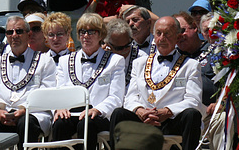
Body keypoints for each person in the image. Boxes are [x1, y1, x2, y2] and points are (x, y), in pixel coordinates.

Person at [109, 16, 203, 150]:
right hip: (144, 120)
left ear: (177, 37)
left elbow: (194, 101)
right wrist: (140, 110)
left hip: (171, 121)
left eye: (167, 34)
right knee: (118, 113)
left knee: (192, 114)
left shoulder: (191, 65)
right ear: (154, 36)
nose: (162, 38)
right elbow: (130, 97)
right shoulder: (139, 63)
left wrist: (167, 111)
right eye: (158, 33)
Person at [0, 16, 57, 149]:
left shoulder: (44, 61)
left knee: (25, 124)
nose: (14, 35)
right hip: (3, 114)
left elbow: (47, 95)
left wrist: (23, 110)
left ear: (28, 34)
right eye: (10, 32)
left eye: (19, 31)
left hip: (31, 113)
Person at [52, 13, 125, 149]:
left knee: (86, 124)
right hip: (72, 112)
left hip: (99, 115)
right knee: (60, 123)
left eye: (91, 32)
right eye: (82, 32)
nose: (86, 36)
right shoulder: (65, 60)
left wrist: (97, 110)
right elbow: (59, 91)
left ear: (101, 34)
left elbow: (116, 97)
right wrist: (60, 107)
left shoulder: (115, 61)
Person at [104, 18, 146, 89]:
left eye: (127, 46)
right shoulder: (102, 59)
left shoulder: (142, 59)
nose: (124, 50)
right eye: (119, 48)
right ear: (108, 45)